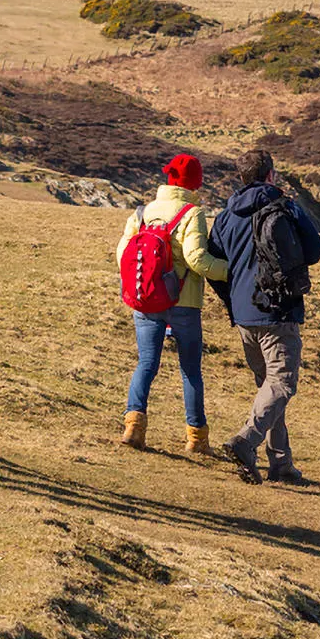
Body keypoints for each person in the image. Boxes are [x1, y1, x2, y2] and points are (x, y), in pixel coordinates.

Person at [207, 149, 320, 484]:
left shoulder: (225, 216)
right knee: (282, 383)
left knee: (268, 387)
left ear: (240, 177)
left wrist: (234, 296)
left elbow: (215, 262)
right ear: (270, 175)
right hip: (279, 309)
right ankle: (246, 441)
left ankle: (281, 464)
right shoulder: (284, 207)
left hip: (244, 314)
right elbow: (315, 251)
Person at [115, 153, 227, 454]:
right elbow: (196, 259)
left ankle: (134, 426)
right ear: (195, 183)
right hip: (183, 303)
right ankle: (196, 438)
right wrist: (231, 271)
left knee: (146, 364)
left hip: (145, 300)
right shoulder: (191, 213)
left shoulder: (143, 211)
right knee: (190, 369)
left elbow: (122, 254)